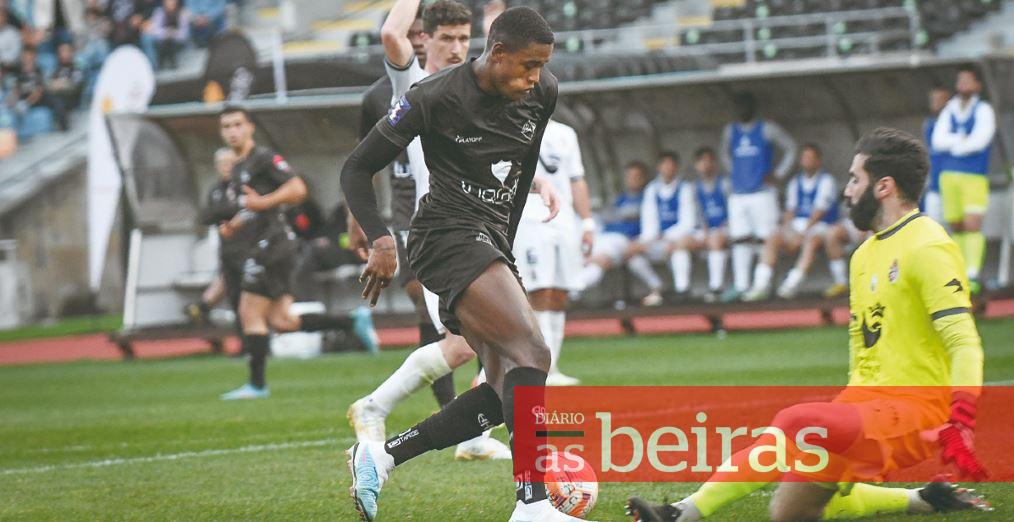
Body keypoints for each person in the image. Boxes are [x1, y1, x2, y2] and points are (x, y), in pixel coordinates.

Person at [627, 128, 989, 521]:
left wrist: (961, 420)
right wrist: (847, 413)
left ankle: (681, 513)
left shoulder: (928, 245)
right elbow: (865, 351)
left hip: (914, 411)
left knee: (796, 421)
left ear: (884, 187)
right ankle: (924, 499)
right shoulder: (864, 254)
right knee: (790, 511)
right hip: (864, 407)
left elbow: (963, 341)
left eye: (855, 179)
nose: (847, 191)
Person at [341, 7, 587, 521]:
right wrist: (381, 241)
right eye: (528, 65)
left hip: (489, 241)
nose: (536, 76)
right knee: (533, 352)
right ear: (497, 53)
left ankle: (381, 457)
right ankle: (533, 505)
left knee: (500, 390)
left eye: (542, 66)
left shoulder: (543, 92)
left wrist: (504, 251)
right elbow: (357, 168)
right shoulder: (432, 96)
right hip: (444, 235)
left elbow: (520, 173)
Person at [347, 0, 512, 462]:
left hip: (480, 232)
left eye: (463, 38)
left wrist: (537, 183)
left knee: (491, 346)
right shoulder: (415, 85)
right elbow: (390, 35)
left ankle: (471, 437)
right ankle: (376, 407)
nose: (457, 47)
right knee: (475, 345)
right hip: (441, 236)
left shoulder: (474, 90)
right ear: (425, 39)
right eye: (447, 38)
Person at [215, 105, 378, 400]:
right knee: (281, 321)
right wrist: (236, 224)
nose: (232, 131)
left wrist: (263, 203)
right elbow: (253, 207)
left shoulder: (263, 158)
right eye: (226, 126)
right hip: (266, 244)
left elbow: (298, 189)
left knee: (249, 312)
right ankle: (352, 322)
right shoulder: (239, 168)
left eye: (237, 124)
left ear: (250, 127)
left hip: (273, 244)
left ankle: (257, 385)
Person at [513, 118, 594, 385]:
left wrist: (587, 223)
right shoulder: (510, 124)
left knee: (559, 293)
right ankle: (539, 367)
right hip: (530, 219)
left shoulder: (565, 133)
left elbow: (576, 179)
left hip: (565, 221)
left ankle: (553, 368)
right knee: (538, 291)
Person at [720, 92, 797, 302]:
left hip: (763, 192)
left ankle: (765, 284)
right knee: (740, 239)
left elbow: (790, 148)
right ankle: (741, 285)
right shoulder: (730, 131)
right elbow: (724, 155)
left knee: (766, 237)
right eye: (738, 106)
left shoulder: (767, 128)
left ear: (754, 107)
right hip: (739, 193)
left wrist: (778, 173)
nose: (741, 110)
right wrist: (735, 173)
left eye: (745, 105)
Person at [743, 143, 844, 301]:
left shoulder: (826, 181)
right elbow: (790, 211)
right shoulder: (795, 182)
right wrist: (787, 230)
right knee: (773, 237)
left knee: (812, 240)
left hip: (822, 225)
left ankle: (791, 285)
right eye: (804, 157)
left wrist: (802, 233)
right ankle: (760, 285)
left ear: (818, 161)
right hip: (798, 226)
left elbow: (820, 211)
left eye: (810, 158)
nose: (807, 161)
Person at [931, 66, 996, 294]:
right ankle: (959, 272)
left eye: (967, 80)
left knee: (972, 224)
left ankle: (973, 274)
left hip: (973, 175)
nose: (962, 85)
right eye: (960, 80)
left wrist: (954, 144)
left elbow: (980, 141)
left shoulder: (984, 110)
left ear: (978, 84)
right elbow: (937, 141)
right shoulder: (950, 109)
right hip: (948, 176)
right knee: (956, 225)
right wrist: (961, 139)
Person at [630, 151, 696, 303]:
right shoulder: (652, 189)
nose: (668, 169)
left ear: (677, 167)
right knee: (631, 251)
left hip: (680, 237)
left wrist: (668, 237)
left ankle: (682, 290)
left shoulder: (685, 188)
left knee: (680, 248)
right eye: (664, 165)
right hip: (658, 240)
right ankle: (657, 286)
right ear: (659, 167)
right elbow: (649, 220)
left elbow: (688, 222)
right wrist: (647, 240)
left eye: (671, 165)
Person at [579, 161, 649, 296]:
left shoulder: (647, 197)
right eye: (629, 176)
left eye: (637, 176)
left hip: (624, 239)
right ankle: (571, 292)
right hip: (605, 236)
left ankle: (572, 293)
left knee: (600, 261)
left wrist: (621, 215)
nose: (632, 180)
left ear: (643, 178)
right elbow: (605, 216)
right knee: (589, 259)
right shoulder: (621, 198)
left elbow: (637, 217)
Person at [689, 146, 731, 303]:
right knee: (681, 244)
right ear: (696, 165)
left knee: (715, 239)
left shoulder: (725, 183)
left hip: (726, 228)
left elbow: (734, 210)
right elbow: (696, 214)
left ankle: (716, 287)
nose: (706, 165)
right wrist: (704, 229)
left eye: (709, 161)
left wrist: (722, 227)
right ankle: (682, 290)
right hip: (704, 230)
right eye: (702, 161)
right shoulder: (694, 188)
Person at [921, 86, 950, 224]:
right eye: (933, 100)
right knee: (932, 224)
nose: (936, 103)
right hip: (934, 184)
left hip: (952, 182)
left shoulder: (954, 123)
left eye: (939, 99)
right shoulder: (929, 124)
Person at [141, 0, 190, 70]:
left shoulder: (182, 13)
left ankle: (173, 63)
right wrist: (166, 32)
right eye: (167, 1)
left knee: (170, 41)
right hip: (162, 40)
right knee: (150, 38)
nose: (170, 3)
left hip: (177, 41)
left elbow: (184, 34)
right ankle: (155, 65)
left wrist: (173, 33)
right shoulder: (159, 12)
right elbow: (154, 29)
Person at [46, 43, 82, 131]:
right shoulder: (56, 69)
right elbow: (49, 84)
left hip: (71, 98)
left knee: (60, 99)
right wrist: (57, 85)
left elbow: (75, 85)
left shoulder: (76, 68)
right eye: (61, 52)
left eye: (66, 51)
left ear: (71, 53)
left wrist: (61, 84)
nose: (64, 54)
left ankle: (63, 125)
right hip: (55, 96)